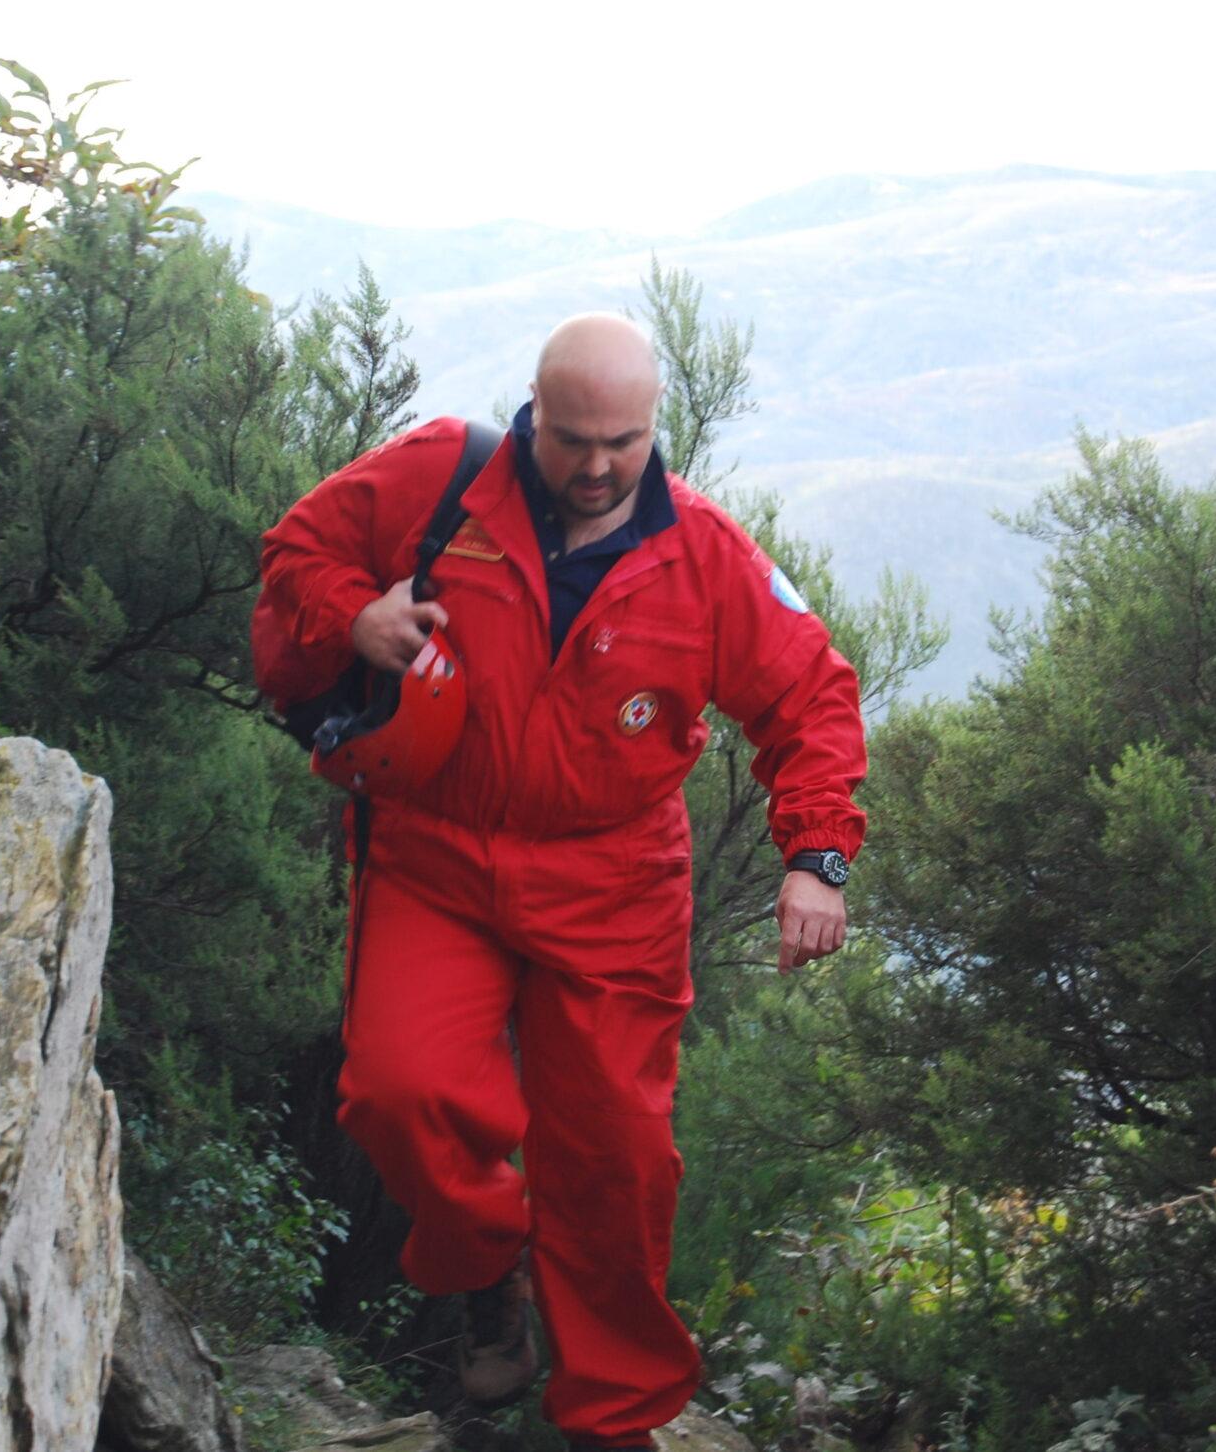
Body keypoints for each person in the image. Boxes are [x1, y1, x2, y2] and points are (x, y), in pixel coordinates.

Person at [253, 313, 867, 1451]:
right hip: (432, 854)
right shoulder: (445, 475)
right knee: (396, 1090)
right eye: (573, 438)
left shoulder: (708, 558)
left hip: (613, 880)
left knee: (614, 1163)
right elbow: (294, 548)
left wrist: (815, 859)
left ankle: (613, 1419)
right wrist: (358, 611)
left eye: (622, 442)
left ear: (655, 430)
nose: (594, 466)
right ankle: (488, 1267)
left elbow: (810, 696)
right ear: (534, 410)